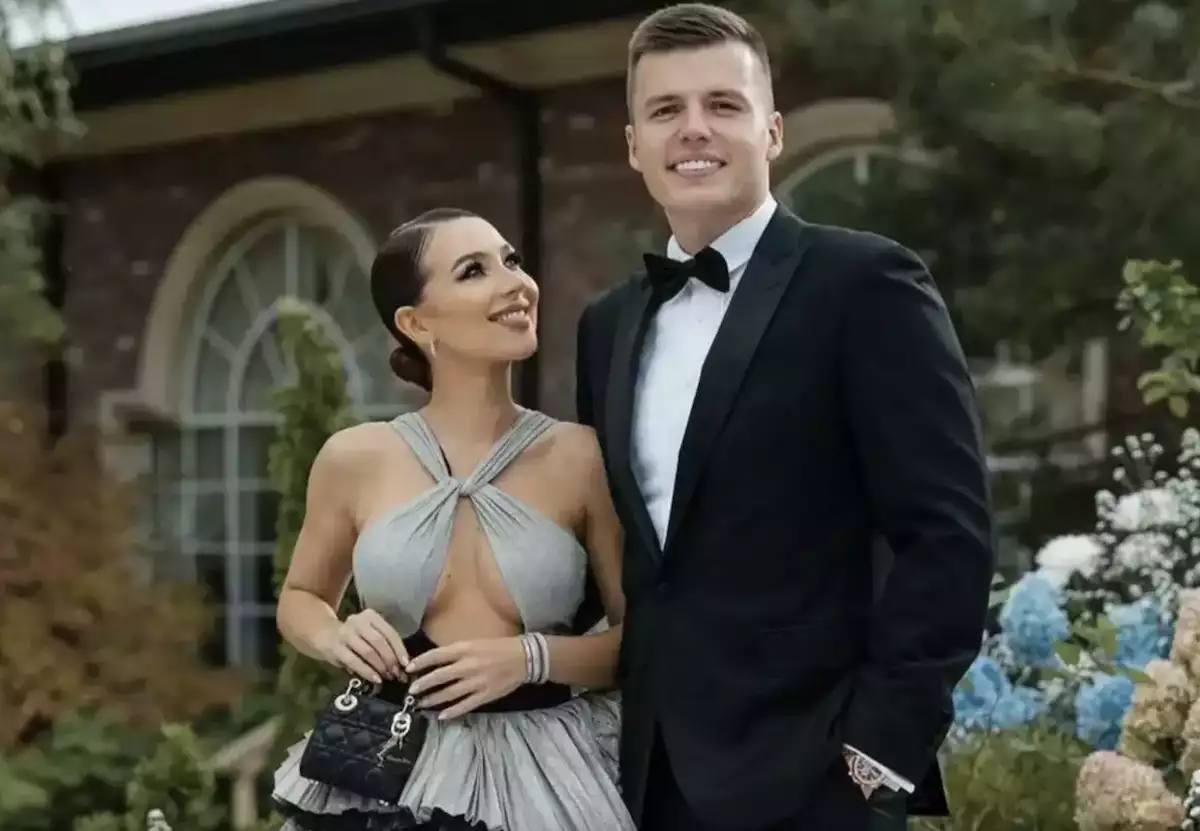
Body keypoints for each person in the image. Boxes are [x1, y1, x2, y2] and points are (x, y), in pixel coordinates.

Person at [574, 4, 996, 830]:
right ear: (633, 145)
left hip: (817, 778)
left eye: (722, 105)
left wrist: (879, 749)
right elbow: (618, 555)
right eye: (666, 110)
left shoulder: (865, 283)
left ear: (771, 133)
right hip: (652, 780)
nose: (694, 129)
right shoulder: (606, 324)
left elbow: (948, 533)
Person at [271, 207, 636, 831]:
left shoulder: (582, 457)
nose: (516, 283)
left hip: (545, 776)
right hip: (389, 766)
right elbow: (301, 598)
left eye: (512, 261)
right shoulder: (353, 458)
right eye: (474, 270)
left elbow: (643, 640)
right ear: (415, 323)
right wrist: (335, 635)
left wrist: (531, 659)